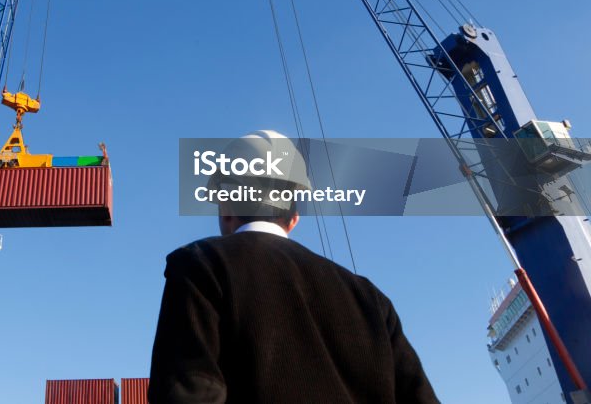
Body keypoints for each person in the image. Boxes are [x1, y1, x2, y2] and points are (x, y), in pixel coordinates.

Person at [149, 132, 439, 403]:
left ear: (226, 205)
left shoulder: (199, 265)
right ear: (293, 217)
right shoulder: (372, 300)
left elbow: (187, 391)